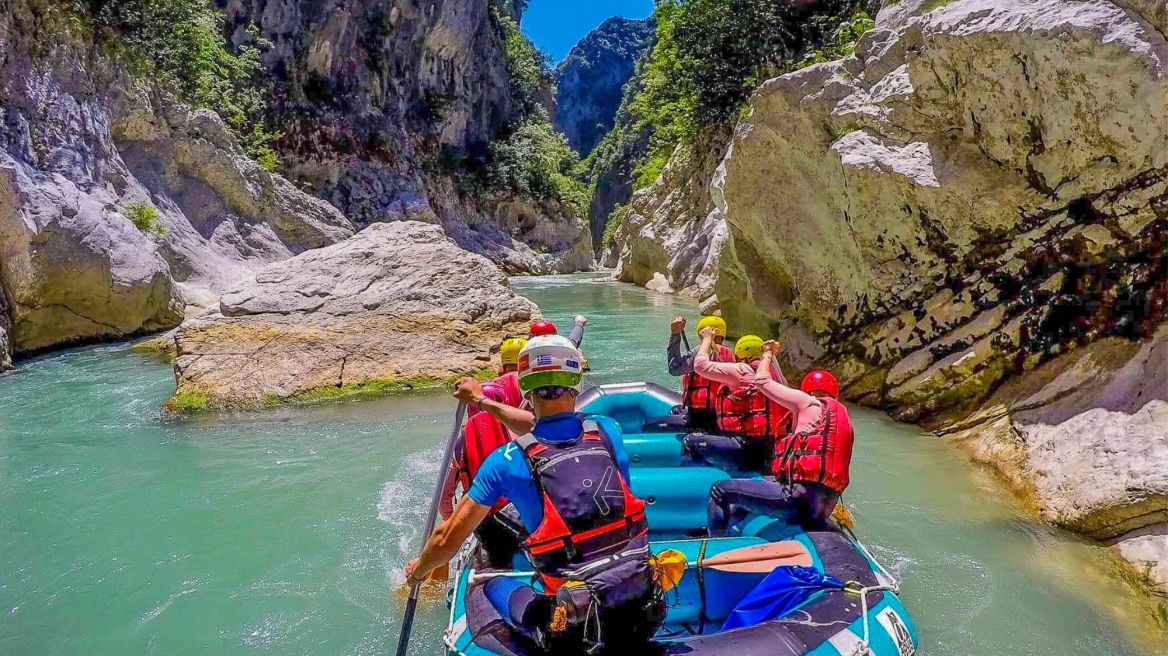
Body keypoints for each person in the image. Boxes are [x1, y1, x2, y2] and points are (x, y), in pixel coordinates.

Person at [408, 336, 663, 652]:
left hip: (576, 632)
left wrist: (418, 572)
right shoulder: (607, 430)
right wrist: (482, 402)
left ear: (526, 391)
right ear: (576, 382)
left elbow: (446, 540)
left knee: (484, 586)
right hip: (645, 610)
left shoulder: (505, 462)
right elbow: (545, 425)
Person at [705, 343, 854, 536]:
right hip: (822, 508)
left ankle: (715, 545)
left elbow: (762, 381)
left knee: (720, 490)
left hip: (795, 501)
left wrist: (767, 354)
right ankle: (734, 528)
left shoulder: (806, 402)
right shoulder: (844, 421)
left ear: (807, 389)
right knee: (759, 484)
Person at [439, 382, 526, 569]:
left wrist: (451, 526)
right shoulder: (523, 435)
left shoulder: (459, 445)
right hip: (526, 517)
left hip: (483, 523)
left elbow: (444, 500)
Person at [681, 327, 792, 473]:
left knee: (691, 442)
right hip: (768, 448)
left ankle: (696, 482)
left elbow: (700, 366)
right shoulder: (777, 377)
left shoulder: (743, 370)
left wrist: (707, 339)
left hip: (744, 447)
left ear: (742, 354)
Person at [667, 316, 734, 432]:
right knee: (676, 410)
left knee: (663, 417)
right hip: (722, 411)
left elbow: (674, 369)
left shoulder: (699, 351)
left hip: (700, 415)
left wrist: (675, 334)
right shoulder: (729, 354)